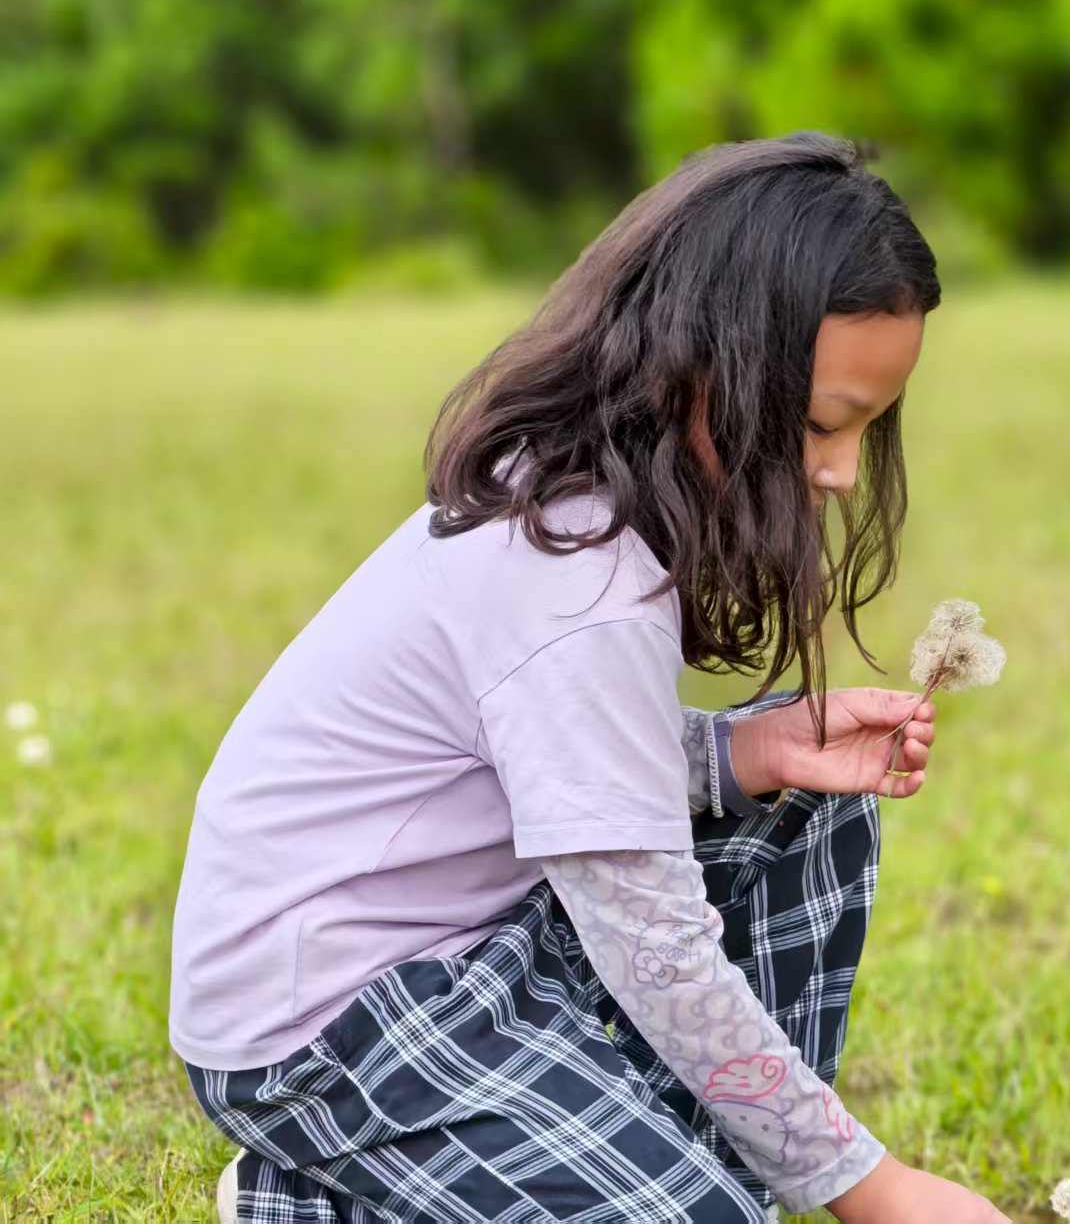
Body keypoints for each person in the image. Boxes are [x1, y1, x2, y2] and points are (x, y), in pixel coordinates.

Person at [170, 131, 1013, 1223]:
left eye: (866, 427)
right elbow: (652, 945)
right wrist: (871, 1185)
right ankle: (314, 1190)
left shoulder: (600, 503)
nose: (843, 471)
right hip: (330, 1024)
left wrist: (735, 752)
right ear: (701, 362)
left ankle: (675, 1162)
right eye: (819, 424)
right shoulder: (576, 578)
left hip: (475, 940)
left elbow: (543, 759)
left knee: (804, 803)